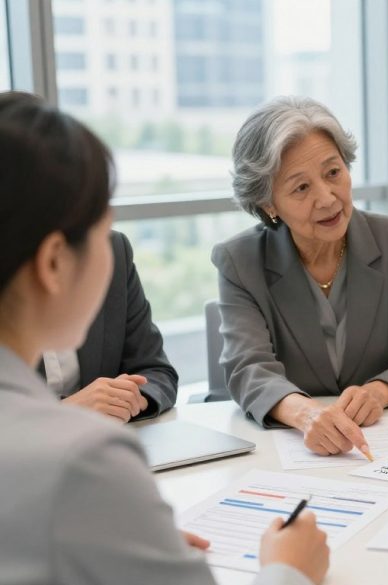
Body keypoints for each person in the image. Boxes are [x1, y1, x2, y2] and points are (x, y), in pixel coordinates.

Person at [0, 91, 329, 584]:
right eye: (102, 227)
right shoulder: (83, 461)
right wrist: (290, 569)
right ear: (53, 263)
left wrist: (121, 540)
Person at [213, 96, 388, 457]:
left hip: (384, 446)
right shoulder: (240, 261)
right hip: (289, 454)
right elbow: (248, 370)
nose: (327, 198)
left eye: (333, 173)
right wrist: (306, 414)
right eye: (301, 188)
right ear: (268, 205)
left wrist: (379, 392)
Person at [44, 229, 178, 422]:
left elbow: (157, 371)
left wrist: (127, 399)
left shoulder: (110, 247)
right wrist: (68, 410)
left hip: (105, 439)